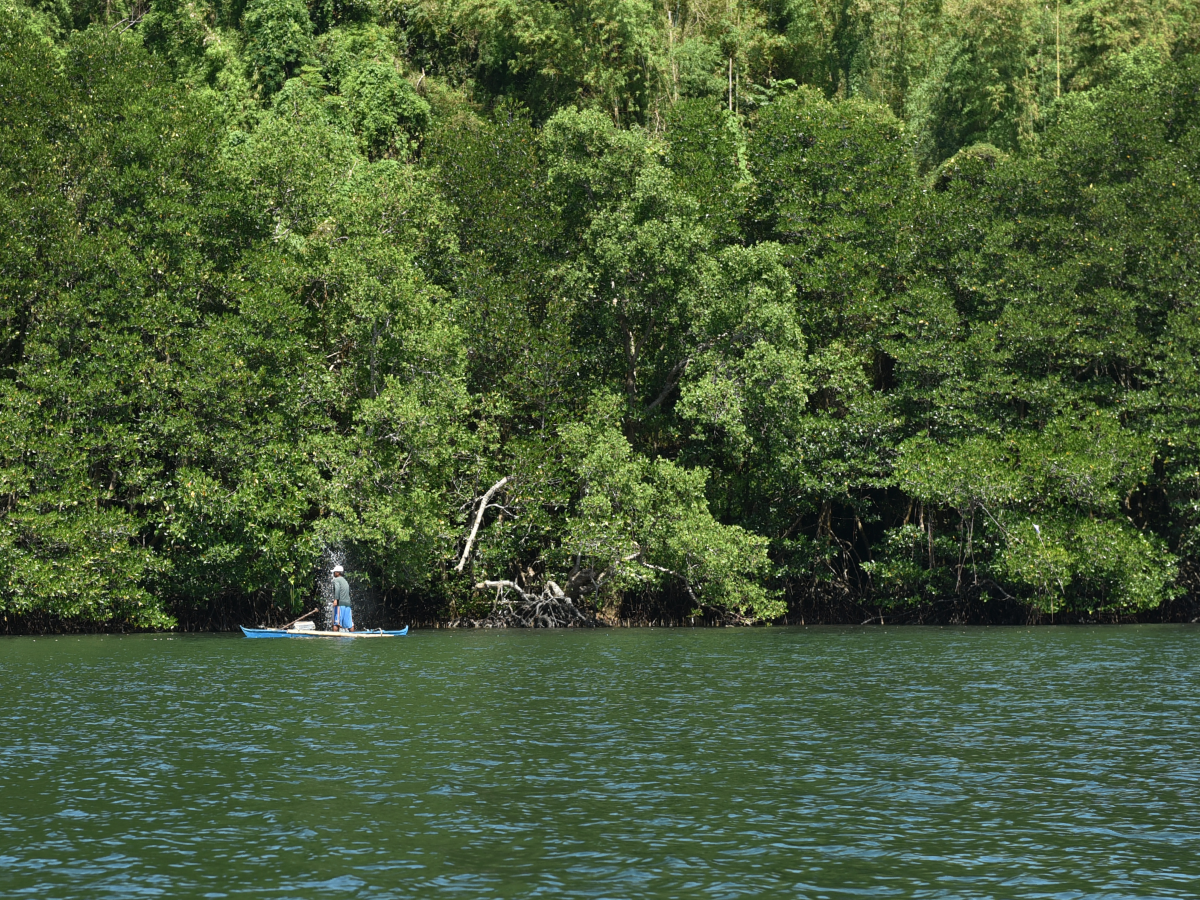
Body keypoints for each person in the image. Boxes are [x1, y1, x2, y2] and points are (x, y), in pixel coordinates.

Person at [331, 565, 353, 632]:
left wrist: (335, 600)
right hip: (348, 604)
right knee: (350, 624)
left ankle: (335, 640)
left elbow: (337, 589)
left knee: (336, 623)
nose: (333, 573)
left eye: (334, 572)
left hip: (340, 604)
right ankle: (353, 637)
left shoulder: (336, 580)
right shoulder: (345, 581)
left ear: (338, 573)